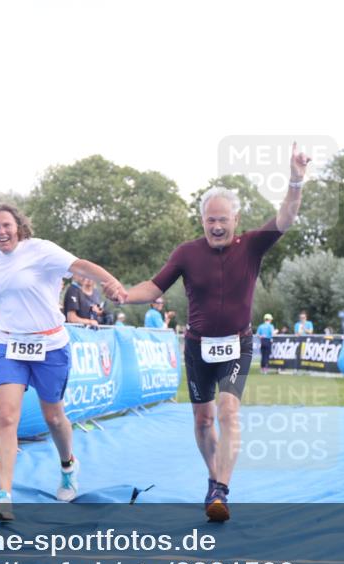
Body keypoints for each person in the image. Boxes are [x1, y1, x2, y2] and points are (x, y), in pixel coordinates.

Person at [121, 142, 311, 522]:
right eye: (210, 221)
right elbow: (154, 287)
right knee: (203, 420)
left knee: (228, 412)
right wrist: (125, 295)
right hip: (197, 347)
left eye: (223, 219)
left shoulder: (252, 245)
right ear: (202, 221)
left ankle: (222, 489)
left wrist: (295, 180)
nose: (217, 226)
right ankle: (214, 479)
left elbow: (287, 217)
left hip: (237, 344)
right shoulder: (186, 253)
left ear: (236, 219)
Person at [0, 203, 127, 521]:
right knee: (6, 417)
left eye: (6, 225)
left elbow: (80, 265)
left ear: (19, 226)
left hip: (50, 345)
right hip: (7, 344)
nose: (1, 232)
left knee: (54, 417)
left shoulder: (42, 250)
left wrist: (113, 283)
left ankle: (68, 465)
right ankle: (3, 496)